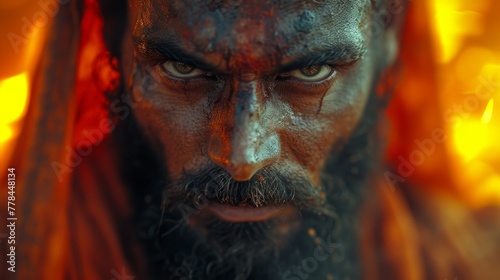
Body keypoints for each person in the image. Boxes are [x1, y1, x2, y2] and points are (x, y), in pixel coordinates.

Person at [4, 0, 499, 279]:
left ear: (389, 44)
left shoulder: (474, 261)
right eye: (183, 69)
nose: (243, 156)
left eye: (310, 71)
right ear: (112, 44)